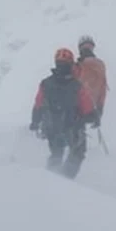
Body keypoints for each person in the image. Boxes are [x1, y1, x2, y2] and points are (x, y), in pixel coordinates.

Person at [30, 48, 96, 178]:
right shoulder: (77, 86)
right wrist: (93, 117)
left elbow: (38, 104)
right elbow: (88, 109)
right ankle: (65, 179)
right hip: (72, 128)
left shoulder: (45, 83)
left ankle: (50, 178)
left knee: (56, 153)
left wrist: (35, 122)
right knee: (78, 152)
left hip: (51, 128)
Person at [74, 34, 109, 127]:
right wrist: (100, 108)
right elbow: (103, 88)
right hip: (91, 109)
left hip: (79, 108)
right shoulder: (100, 65)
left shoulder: (78, 66)